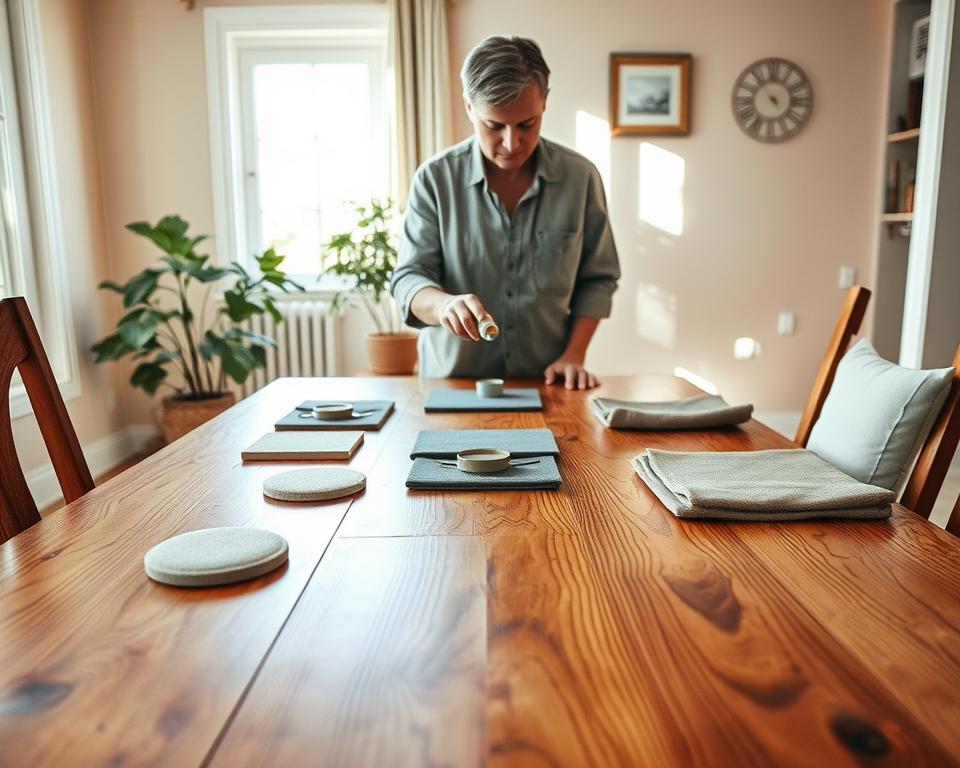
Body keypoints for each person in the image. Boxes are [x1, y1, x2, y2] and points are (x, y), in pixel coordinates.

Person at [390, 35, 620, 390]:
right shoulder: (434, 179)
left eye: (527, 124)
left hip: (547, 385)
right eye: (494, 126)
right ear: (469, 106)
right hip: (452, 386)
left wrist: (574, 355)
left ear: (545, 101)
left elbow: (598, 278)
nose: (512, 144)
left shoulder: (581, 178)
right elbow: (409, 278)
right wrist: (443, 306)